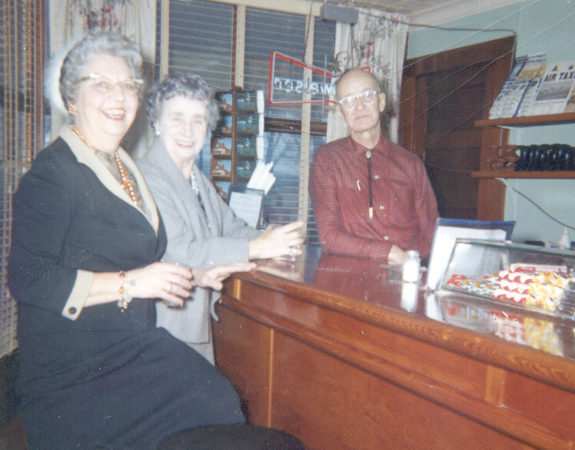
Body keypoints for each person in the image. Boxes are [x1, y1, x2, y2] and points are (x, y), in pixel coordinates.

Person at [7, 31, 301, 449]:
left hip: (129, 347)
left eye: (128, 85)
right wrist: (133, 283)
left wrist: (196, 276)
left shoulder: (123, 166)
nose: (119, 96)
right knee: (216, 411)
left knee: (217, 400)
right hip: (77, 371)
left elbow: (155, 257)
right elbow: (28, 277)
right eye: (102, 84)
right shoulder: (54, 172)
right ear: (73, 97)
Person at [137, 73, 305, 362]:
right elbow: (182, 252)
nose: (188, 131)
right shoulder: (148, 177)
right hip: (164, 329)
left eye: (198, 120)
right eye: (177, 118)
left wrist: (278, 238)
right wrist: (259, 247)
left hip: (191, 324)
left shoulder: (196, 179)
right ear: (156, 123)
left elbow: (232, 227)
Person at [309, 69, 438, 265]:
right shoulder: (327, 160)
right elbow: (328, 236)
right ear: (341, 112)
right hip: (352, 279)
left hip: (409, 273)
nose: (359, 106)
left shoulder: (411, 163)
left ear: (381, 102)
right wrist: (388, 252)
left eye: (367, 96)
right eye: (349, 100)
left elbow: (432, 231)